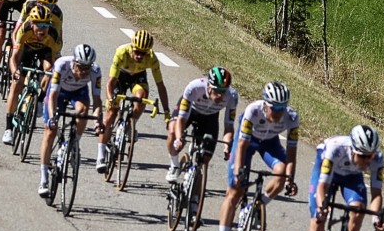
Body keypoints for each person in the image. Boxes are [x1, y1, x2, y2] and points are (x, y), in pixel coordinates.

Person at [214, 82, 299, 231]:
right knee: (235, 191)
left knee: (282, 173)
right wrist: (237, 171)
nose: (278, 112)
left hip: (270, 144)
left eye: (282, 108)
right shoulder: (253, 111)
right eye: (275, 108)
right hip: (248, 141)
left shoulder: (292, 118)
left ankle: (254, 207)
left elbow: (291, 153)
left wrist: (290, 179)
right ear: (265, 105)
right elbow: (242, 146)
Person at [37, 44, 102, 197]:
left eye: (87, 68)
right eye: (81, 67)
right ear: (74, 62)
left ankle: (74, 143)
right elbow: (52, 96)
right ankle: (44, 178)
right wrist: (52, 118)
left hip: (78, 93)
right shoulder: (62, 65)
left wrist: (98, 121)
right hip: (58, 92)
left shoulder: (95, 71)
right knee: (50, 132)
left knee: (83, 111)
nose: (84, 71)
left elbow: (97, 100)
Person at [97, 30, 167, 171]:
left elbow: (160, 85)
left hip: (138, 77)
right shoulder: (122, 52)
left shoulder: (152, 58)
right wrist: (111, 99)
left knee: (142, 97)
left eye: (144, 53)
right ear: (132, 47)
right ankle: (101, 155)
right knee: (111, 114)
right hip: (120, 77)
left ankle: (131, 123)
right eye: (137, 52)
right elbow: (110, 82)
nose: (140, 56)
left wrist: (167, 112)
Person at [1, 0, 64, 142]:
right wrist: (15, 71)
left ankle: (40, 100)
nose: (42, 29)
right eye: (39, 25)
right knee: (17, 85)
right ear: (32, 23)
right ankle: (8, 128)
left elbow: (56, 53)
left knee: (50, 70)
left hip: (46, 48)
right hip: (27, 46)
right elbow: (15, 55)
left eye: (45, 25)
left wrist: (55, 74)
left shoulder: (53, 29)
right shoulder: (27, 24)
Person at [167, 65, 237, 186]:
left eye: (223, 91)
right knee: (173, 131)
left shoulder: (232, 96)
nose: (220, 96)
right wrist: (179, 138)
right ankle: (174, 165)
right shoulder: (194, 88)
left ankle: (194, 197)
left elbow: (229, 126)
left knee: (206, 157)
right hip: (191, 111)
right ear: (209, 87)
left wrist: (227, 146)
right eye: (217, 91)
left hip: (210, 116)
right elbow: (182, 118)